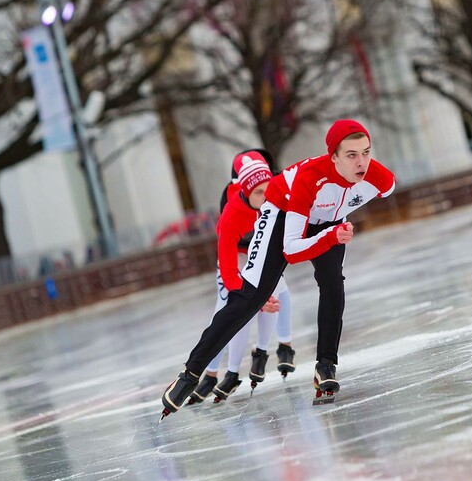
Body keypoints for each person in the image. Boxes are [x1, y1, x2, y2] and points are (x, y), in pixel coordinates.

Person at [160, 119, 396, 418]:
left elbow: (386, 187)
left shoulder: (378, 178)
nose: (361, 162)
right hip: (284, 214)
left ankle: (325, 366)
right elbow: (292, 250)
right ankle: (190, 374)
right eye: (351, 155)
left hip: (328, 220)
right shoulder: (310, 178)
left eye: (366, 152)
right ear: (333, 156)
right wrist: (330, 236)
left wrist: (330, 230)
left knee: (333, 282)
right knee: (250, 298)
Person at [187, 151, 296, 404]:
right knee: (229, 310)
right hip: (238, 255)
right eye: (257, 190)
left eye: (268, 185)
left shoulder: (277, 189)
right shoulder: (232, 204)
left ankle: (273, 350)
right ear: (241, 187)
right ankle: (215, 373)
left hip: (261, 251)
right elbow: (227, 263)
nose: (265, 194)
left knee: (279, 293)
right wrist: (248, 296)